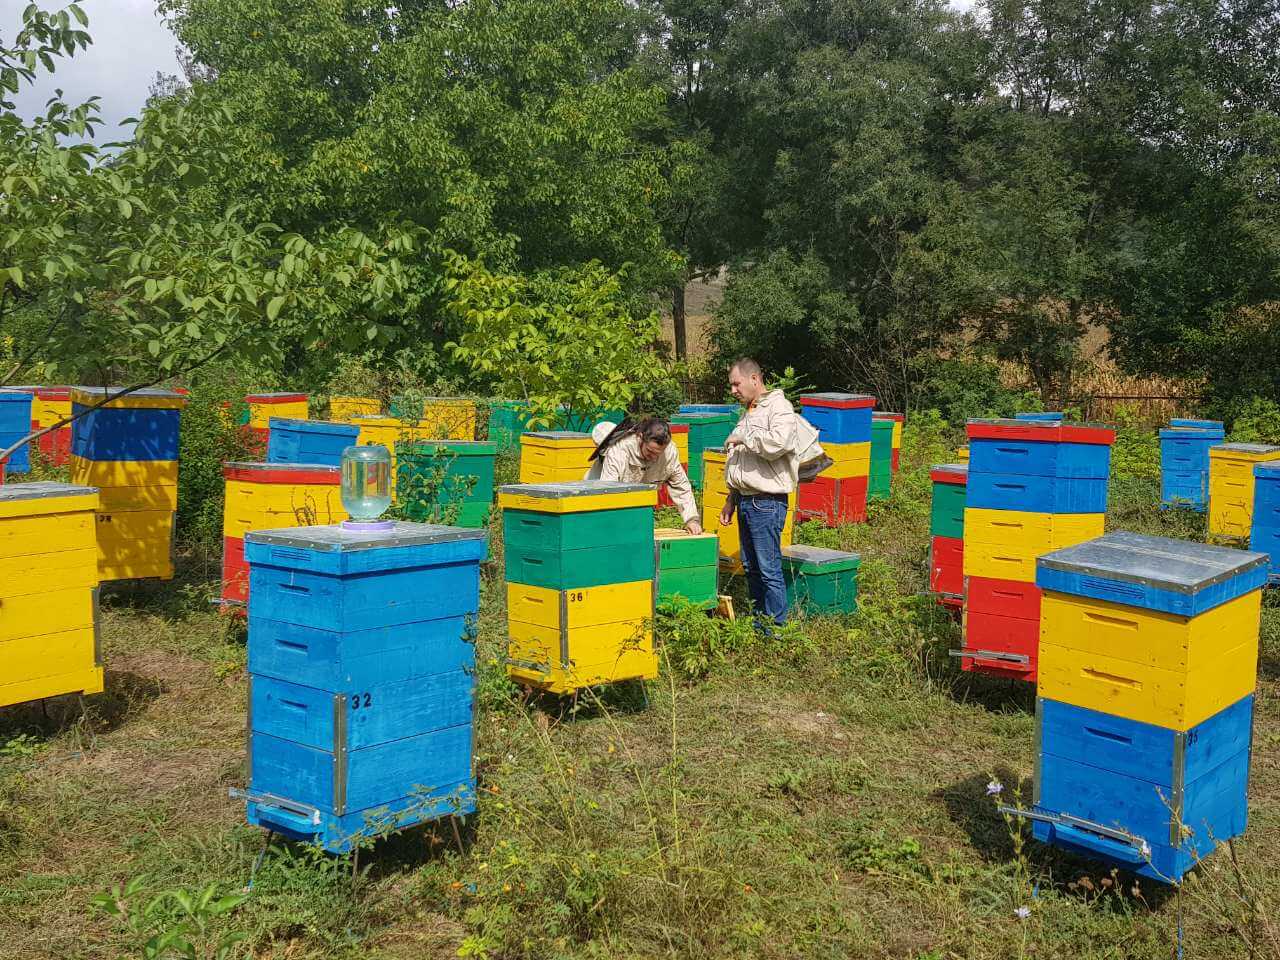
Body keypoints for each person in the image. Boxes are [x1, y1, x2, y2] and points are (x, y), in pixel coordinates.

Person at [718, 357, 817, 626]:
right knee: (751, 568)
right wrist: (731, 499)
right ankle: (759, 623)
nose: (733, 390)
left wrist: (743, 437)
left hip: (766, 503)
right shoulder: (750, 411)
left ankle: (775, 629)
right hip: (745, 500)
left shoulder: (779, 407)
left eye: (736, 384)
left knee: (768, 569)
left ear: (754, 379)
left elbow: (779, 443)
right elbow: (741, 463)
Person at [584, 418, 703, 535]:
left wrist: (691, 519)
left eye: (658, 453)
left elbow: (681, 486)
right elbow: (608, 492)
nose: (654, 458)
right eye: (650, 451)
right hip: (597, 500)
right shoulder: (619, 450)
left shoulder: (669, 452)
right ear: (640, 437)